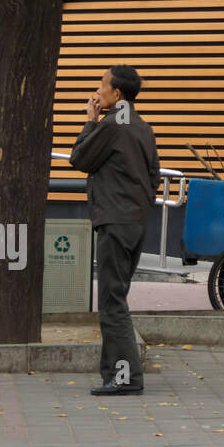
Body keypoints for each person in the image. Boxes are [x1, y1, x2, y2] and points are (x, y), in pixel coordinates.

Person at [70, 66, 160, 398]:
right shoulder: (142, 126)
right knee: (115, 298)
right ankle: (115, 374)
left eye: (102, 85)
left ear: (117, 94)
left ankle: (125, 378)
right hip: (135, 222)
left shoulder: (113, 125)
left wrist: (90, 119)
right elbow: (154, 176)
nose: (97, 90)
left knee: (112, 302)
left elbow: (79, 158)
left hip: (115, 222)